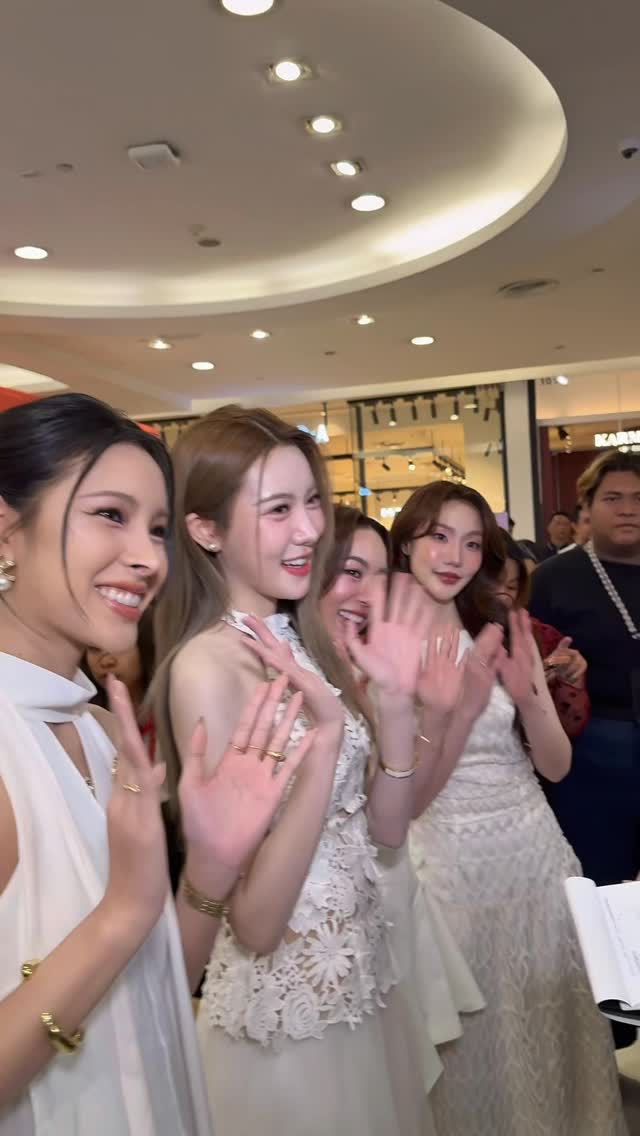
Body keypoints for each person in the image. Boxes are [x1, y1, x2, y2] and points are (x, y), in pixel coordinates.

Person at [0, 393, 315, 1135]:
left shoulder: (103, 729)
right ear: (7, 530)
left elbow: (157, 989)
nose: (147, 559)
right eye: (110, 515)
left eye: (157, 529)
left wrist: (210, 869)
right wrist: (122, 914)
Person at [150, 405, 437, 1136]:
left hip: (362, 982)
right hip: (289, 1020)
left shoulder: (301, 636)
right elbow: (254, 922)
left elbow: (385, 834)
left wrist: (394, 708)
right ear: (205, 530)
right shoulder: (206, 666)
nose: (310, 529)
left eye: (312, 501)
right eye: (278, 509)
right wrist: (329, 740)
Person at [391, 480, 626, 1136]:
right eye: (439, 537)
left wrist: (528, 697)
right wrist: (447, 712)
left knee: (551, 1021)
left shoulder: (494, 629)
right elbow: (403, 796)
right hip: (447, 864)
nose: (454, 556)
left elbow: (554, 766)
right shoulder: (378, 643)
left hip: (534, 854)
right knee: (473, 1039)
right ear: (405, 542)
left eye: (472, 544)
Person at [319, 505, 484, 1084]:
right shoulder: (299, 669)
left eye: (376, 574)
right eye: (350, 571)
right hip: (323, 921)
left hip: (384, 891)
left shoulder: (370, 664)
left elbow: (396, 814)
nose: (368, 591)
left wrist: (438, 716)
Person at [529, 450, 640, 884]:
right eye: (613, 498)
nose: (628, 509)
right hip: (591, 756)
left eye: (638, 498)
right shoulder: (552, 578)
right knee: (598, 882)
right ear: (587, 506)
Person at [493, 531, 590, 738]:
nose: (502, 596)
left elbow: (566, 731)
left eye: (511, 586)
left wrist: (569, 682)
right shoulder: (437, 636)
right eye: (491, 583)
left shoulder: (541, 637)